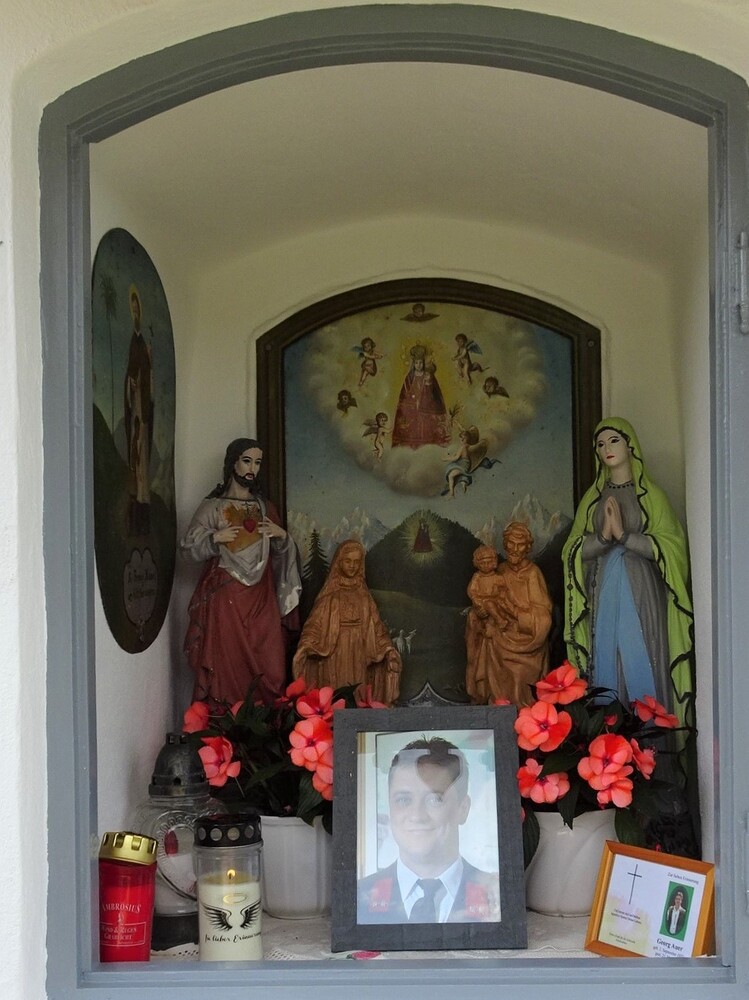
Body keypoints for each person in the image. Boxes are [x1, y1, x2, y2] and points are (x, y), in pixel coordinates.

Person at [562, 417, 694, 726]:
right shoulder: (593, 499)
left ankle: (651, 743)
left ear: (630, 444)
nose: (606, 448)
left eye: (614, 440)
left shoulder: (651, 495)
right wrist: (602, 538)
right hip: (602, 591)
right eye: (600, 444)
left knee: (642, 653)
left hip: (642, 591)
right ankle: (610, 739)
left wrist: (624, 536)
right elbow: (571, 550)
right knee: (607, 656)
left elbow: (673, 547)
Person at [181, 438, 301, 705]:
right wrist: (214, 539)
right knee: (226, 660)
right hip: (227, 596)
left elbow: (281, 555)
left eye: (257, 463)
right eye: (247, 461)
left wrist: (282, 537)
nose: (252, 469)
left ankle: (267, 722)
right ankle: (225, 722)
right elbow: (187, 549)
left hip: (262, 596)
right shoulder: (213, 507)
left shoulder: (265, 508)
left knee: (272, 664)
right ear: (232, 463)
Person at [357, 737, 499, 924]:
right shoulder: (358, 896)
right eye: (403, 800)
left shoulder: (495, 895)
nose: (417, 815)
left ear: (463, 809)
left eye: (434, 799)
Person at [292, 539, 402, 705]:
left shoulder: (364, 597)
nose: (352, 566)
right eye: (348, 561)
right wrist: (306, 645)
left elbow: (377, 628)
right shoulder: (330, 597)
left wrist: (387, 649)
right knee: (336, 693)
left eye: (357, 562)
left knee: (358, 691)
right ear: (339, 562)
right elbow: (314, 626)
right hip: (335, 652)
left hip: (359, 652)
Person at [465, 526, 551, 706]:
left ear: (528, 548)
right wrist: (481, 612)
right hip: (499, 635)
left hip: (525, 638)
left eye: (520, 545)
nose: (514, 549)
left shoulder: (532, 573)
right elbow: (480, 596)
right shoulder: (498, 571)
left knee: (520, 671)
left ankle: (525, 711)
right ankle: (496, 705)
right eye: (511, 543)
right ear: (504, 544)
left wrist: (516, 614)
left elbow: (543, 615)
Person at [123, 284, 154, 535]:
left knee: (143, 456)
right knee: (134, 454)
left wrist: (146, 373)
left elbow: (146, 374)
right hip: (135, 406)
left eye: (137, 310)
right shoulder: (133, 343)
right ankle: (135, 505)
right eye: (132, 309)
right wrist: (131, 384)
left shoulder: (142, 343)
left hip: (143, 409)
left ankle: (143, 505)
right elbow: (130, 373)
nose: (135, 313)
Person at [392, 344, 450, 449]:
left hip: (426, 404)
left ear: (423, 363)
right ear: (413, 364)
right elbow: (405, 392)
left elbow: (435, 392)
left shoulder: (428, 374)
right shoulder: (410, 376)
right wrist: (410, 400)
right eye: (416, 363)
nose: (418, 365)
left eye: (420, 363)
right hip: (412, 404)